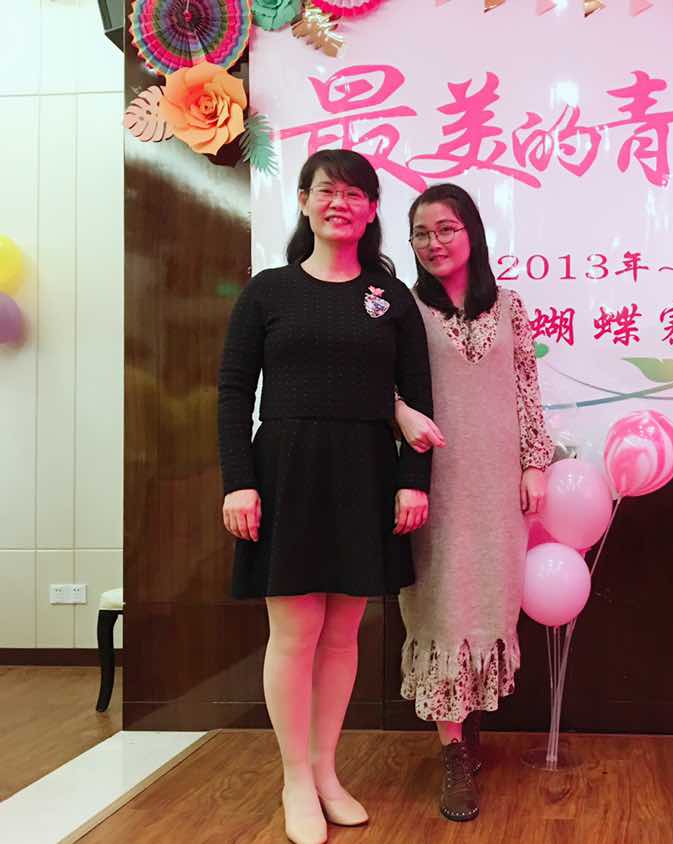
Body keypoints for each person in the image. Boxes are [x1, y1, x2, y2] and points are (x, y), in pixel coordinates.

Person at [217, 149, 433, 844]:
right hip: (284, 470)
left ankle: (325, 771)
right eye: (326, 191)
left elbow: (417, 399)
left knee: (343, 633)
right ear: (304, 202)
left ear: (371, 211)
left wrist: (412, 480)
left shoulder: (390, 297)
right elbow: (233, 393)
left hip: (365, 470)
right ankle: (294, 779)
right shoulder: (268, 291)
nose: (340, 203)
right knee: (295, 632)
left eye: (355, 194)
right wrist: (239, 480)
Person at [393, 183, 554, 822]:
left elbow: (526, 388)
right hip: (432, 484)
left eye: (446, 229)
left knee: (487, 602)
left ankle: (471, 723)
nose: (434, 243)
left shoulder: (509, 306)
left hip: (497, 486)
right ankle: (453, 753)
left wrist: (535, 463)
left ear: (472, 233)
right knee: (441, 604)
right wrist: (399, 414)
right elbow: (377, 384)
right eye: (421, 233)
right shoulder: (403, 308)